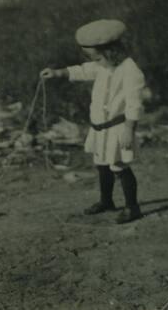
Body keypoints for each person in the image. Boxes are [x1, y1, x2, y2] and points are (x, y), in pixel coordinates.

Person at [40, 19, 146, 224]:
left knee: (119, 165)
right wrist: (58, 73)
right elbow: (83, 70)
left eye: (91, 52)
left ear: (106, 49)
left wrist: (129, 129)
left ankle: (132, 207)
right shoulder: (102, 65)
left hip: (117, 128)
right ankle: (106, 201)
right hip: (99, 129)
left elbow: (134, 104)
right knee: (102, 165)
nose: (89, 57)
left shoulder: (131, 71)